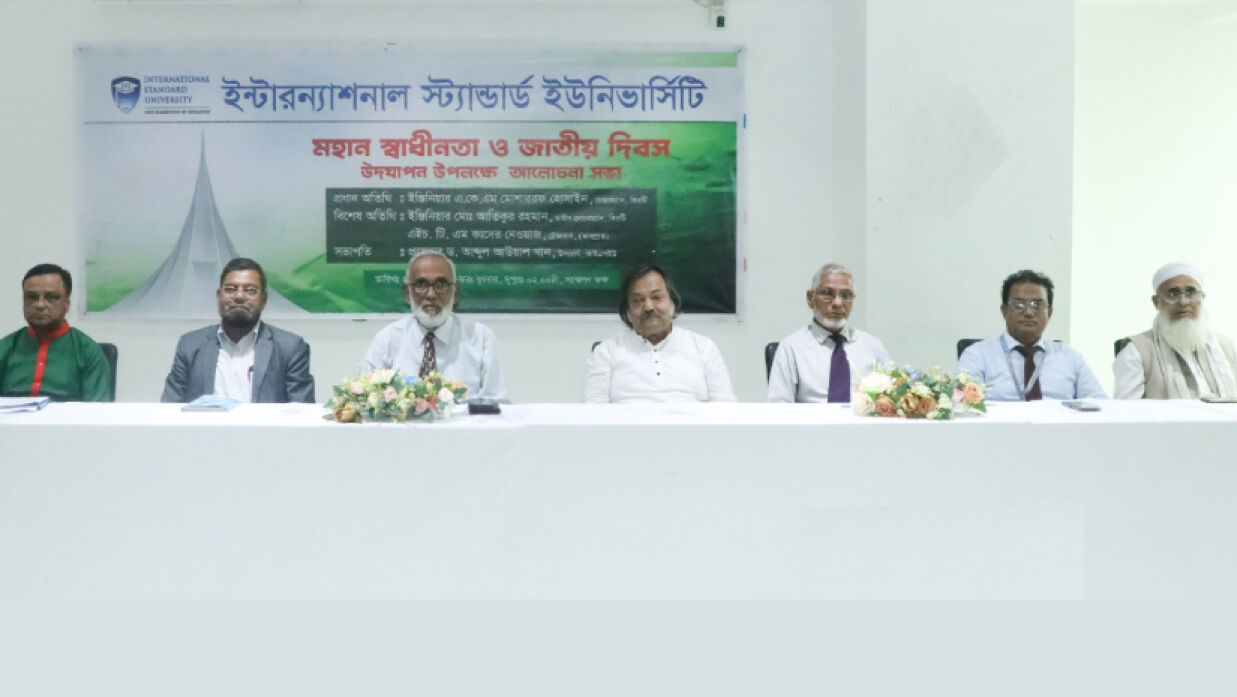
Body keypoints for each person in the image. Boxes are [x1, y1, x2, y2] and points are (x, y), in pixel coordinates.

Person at [161, 258, 314, 403]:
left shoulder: (290, 347)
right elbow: (170, 407)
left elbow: (302, 410)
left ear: (263, 300)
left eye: (250, 290)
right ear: (219, 296)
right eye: (230, 289)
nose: (239, 296)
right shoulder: (190, 345)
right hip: (206, 423)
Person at [364, 251, 507, 401]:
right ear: (407, 293)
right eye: (421, 284)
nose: (431, 295)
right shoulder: (386, 340)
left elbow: (496, 404)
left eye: (441, 284)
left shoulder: (481, 339)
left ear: (455, 293)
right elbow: (368, 401)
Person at [585, 263, 736, 403]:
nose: (648, 307)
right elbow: (592, 411)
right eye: (638, 300)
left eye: (656, 297)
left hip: (690, 423)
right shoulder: (606, 352)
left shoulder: (703, 347)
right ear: (627, 311)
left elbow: (725, 406)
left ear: (672, 302)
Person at [957, 269, 1106, 401]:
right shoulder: (977, 355)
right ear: (1004, 311)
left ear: (1049, 312)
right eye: (1019, 304)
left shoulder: (1069, 357)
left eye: (1037, 305)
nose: (1028, 312)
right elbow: (966, 407)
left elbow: (1101, 406)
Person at [768, 263, 892, 402]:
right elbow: (779, 407)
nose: (838, 303)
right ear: (810, 298)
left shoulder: (873, 347)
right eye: (827, 293)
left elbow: (893, 399)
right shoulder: (791, 348)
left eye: (846, 295)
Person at [1114, 262, 1236, 399]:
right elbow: (1126, 409)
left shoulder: (1224, 346)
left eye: (1191, 292)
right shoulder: (1136, 350)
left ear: (1202, 298)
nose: (1183, 302)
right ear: (1156, 302)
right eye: (1173, 293)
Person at [0, 263, 110, 401]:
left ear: (67, 304)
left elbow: (98, 410)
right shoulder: (5, 347)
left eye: (51, 297)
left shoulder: (87, 351)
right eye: (31, 297)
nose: (40, 305)